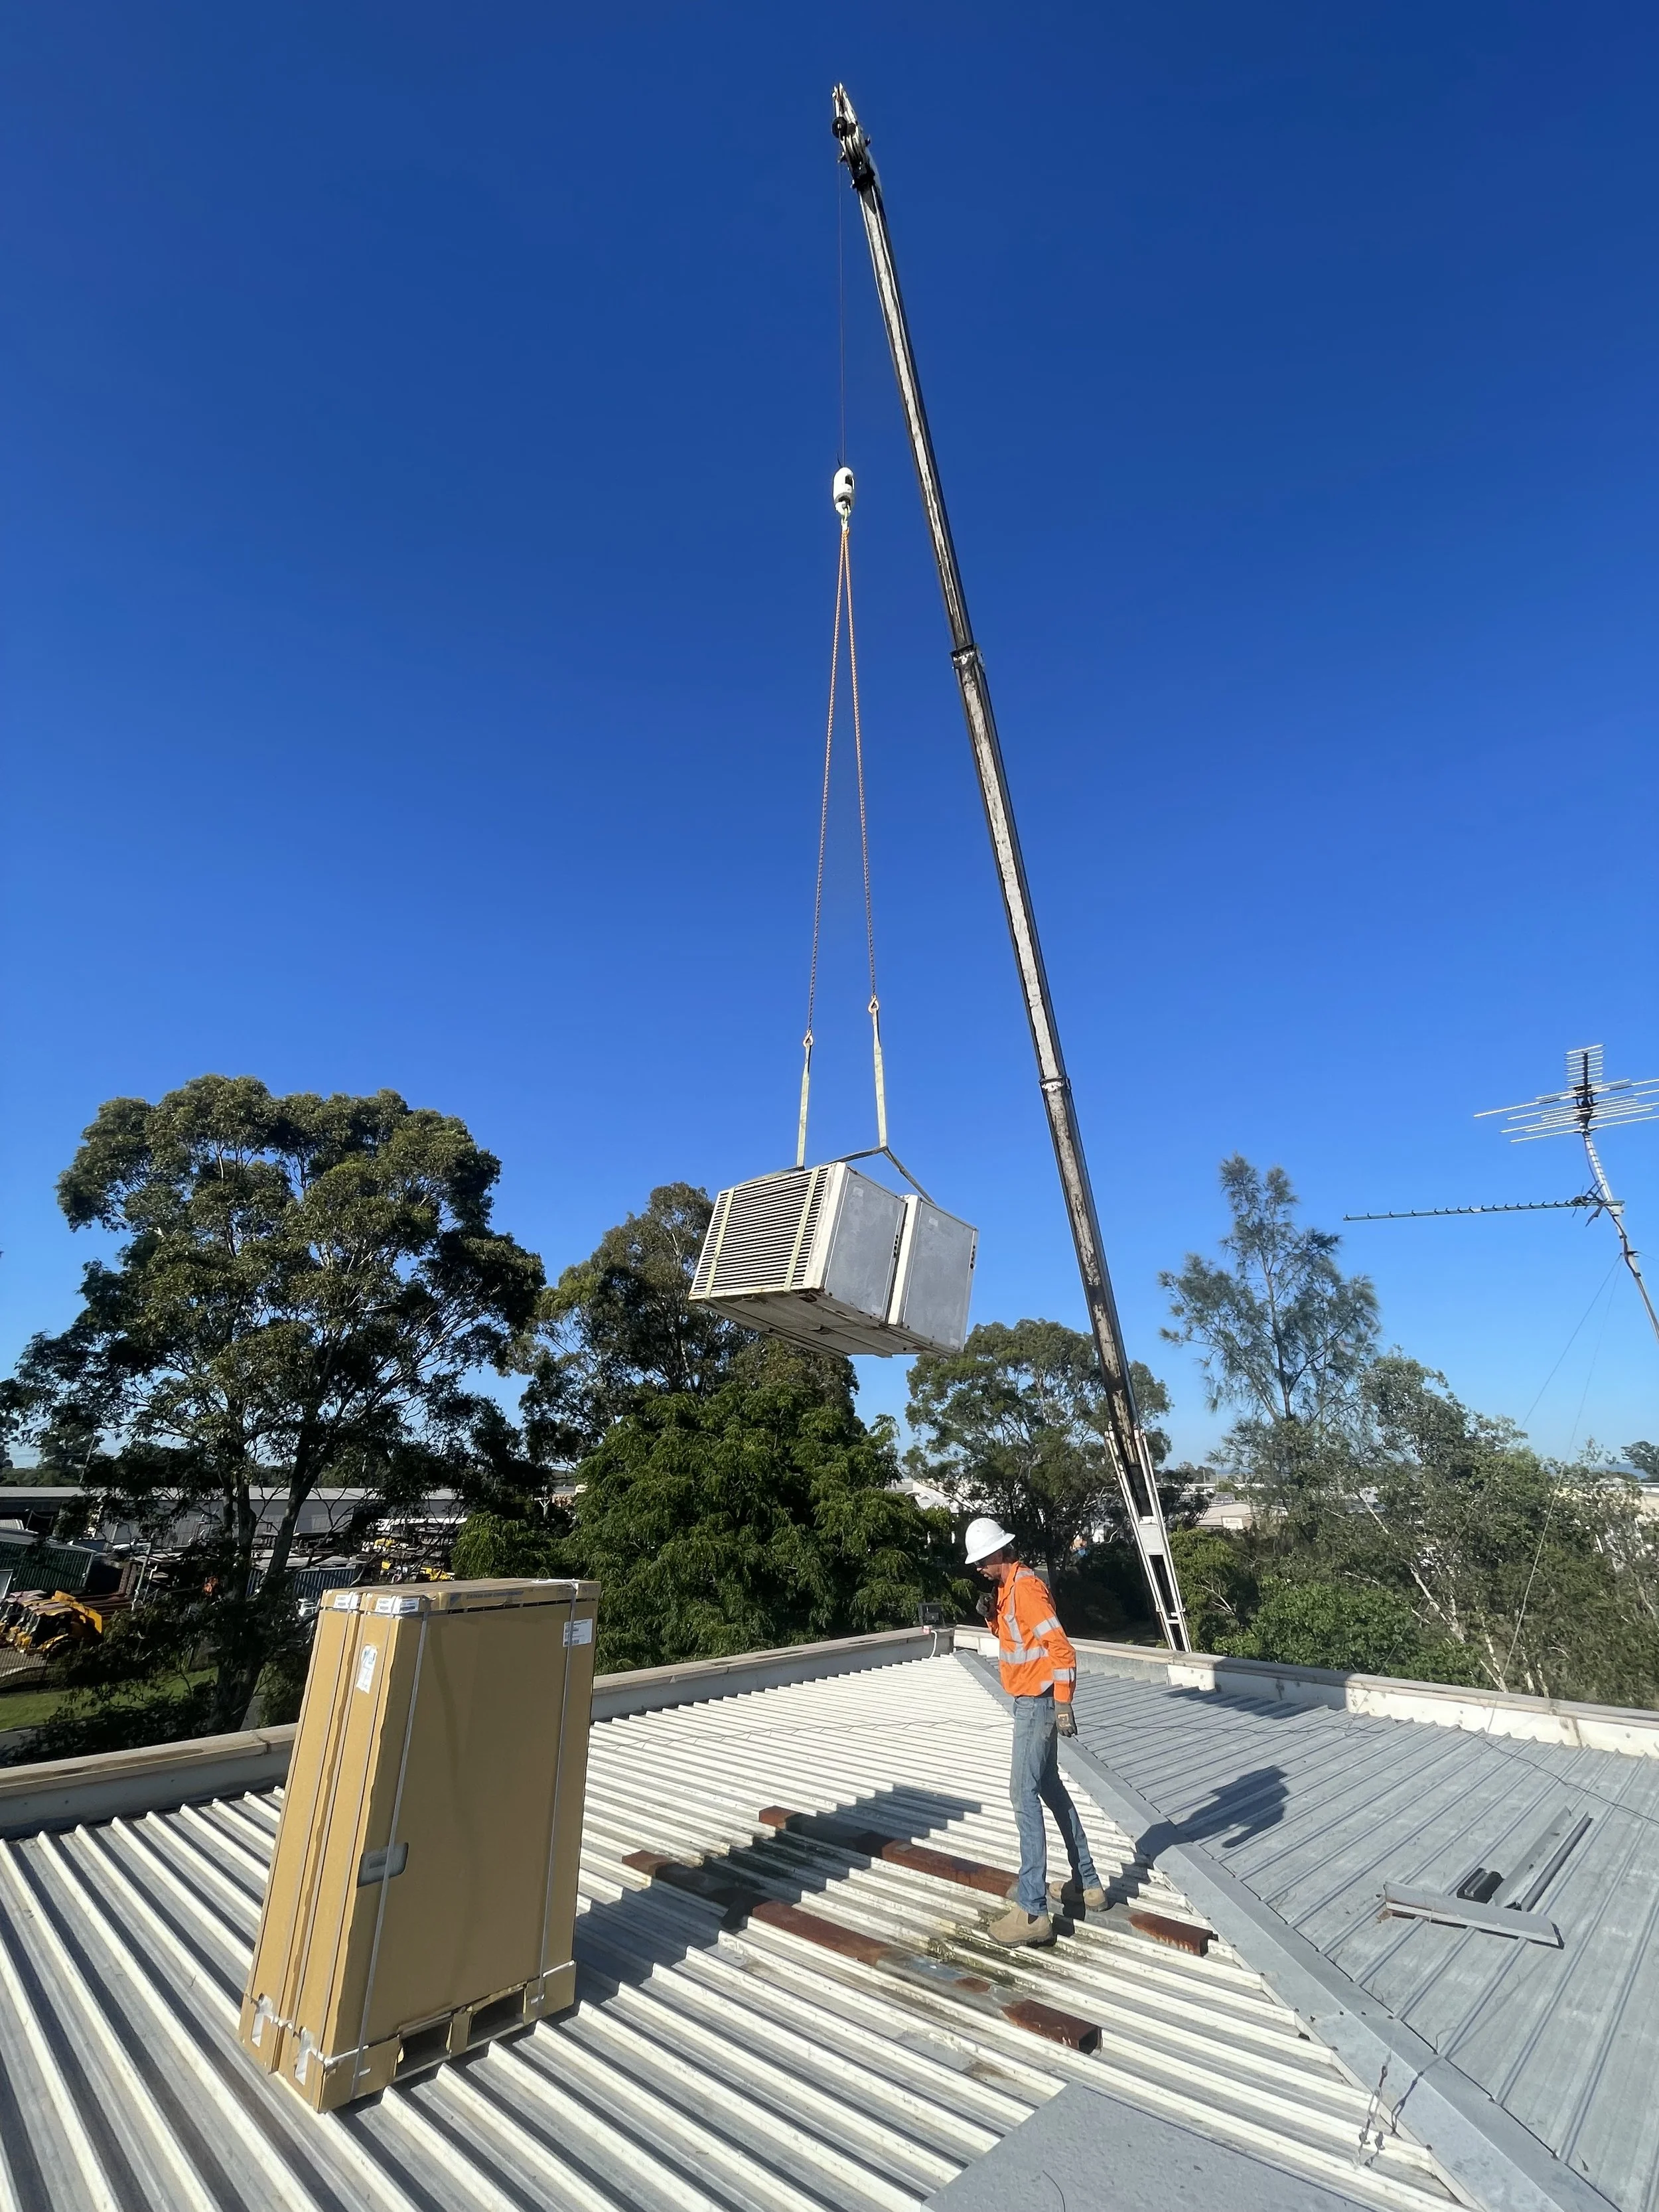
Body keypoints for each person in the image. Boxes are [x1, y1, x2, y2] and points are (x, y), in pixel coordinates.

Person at [964, 1515, 1107, 1947]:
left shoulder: (1024, 1588)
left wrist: (1063, 1702)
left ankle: (1032, 1911)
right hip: (1033, 1700)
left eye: (981, 1561)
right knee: (1047, 1785)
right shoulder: (1008, 1591)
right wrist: (991, 1617)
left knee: (1021, 1793)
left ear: (997, 1554)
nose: (977, 1569)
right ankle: (1088, 1884)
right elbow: (1019, 1640)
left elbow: (1059, 1646)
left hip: (1037, 1704)